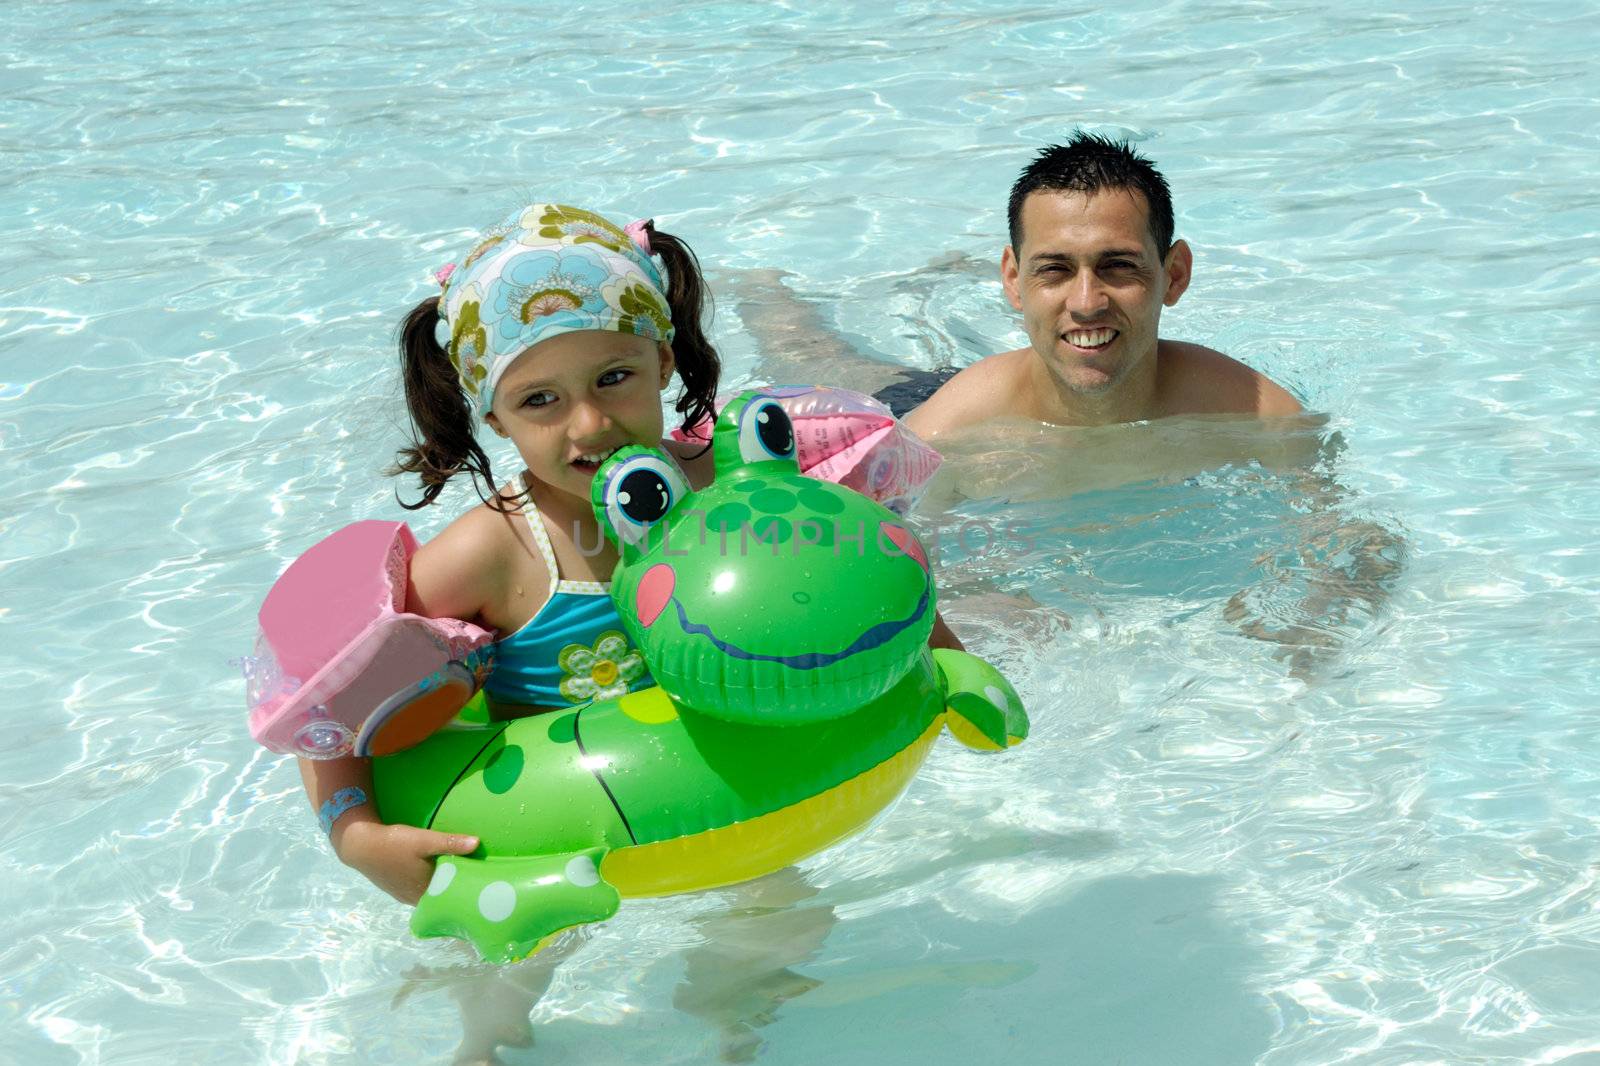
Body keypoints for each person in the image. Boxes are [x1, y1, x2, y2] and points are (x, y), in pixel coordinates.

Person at [299, 202, 960, 908]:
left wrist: (950, 664)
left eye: (613, 377)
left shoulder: (725, 488)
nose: (589, 424)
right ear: (494, 417)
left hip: (740, 793)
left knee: (784, 936)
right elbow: (329, 707)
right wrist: (355, 834)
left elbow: (852, 587)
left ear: (663, 360)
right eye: (540, 400)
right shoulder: (496, 552)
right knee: (504, 993)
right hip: (557, 835)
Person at [901, 132, 1302, 438]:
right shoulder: (941, 437)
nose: (1087, 303)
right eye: (1055, 269)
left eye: (1118, 266)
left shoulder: (1265, 421)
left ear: (1174, 275)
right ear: (1012, 279)